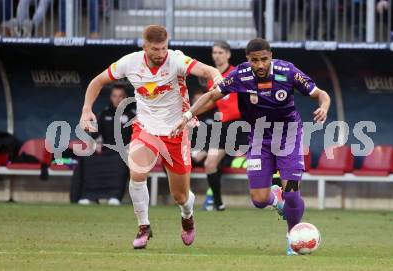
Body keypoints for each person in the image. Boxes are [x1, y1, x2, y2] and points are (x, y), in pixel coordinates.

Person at [172, 38, 331, 256]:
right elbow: (211, 96)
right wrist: (188, 115)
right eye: (255, 60)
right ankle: (276, 199)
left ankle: (293, 237)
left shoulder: (288, 71)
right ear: (248, 60)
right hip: (258, 138)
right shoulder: (240, 75)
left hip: (289, 138)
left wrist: (323, 107)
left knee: (292, 193)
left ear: (271, 57)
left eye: (264, 59)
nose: (260, 65)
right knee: (258, 200)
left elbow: (321, 94)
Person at [79, 25, 223, 249]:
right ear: (144, 46)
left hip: (176, 131)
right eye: (155, 49)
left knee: (180, 196)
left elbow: (207, 71)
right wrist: (87, 109)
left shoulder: (176, 60)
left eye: (164, 48)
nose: (160, 53)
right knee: (136, 172)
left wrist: (218, 76)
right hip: (146, 128)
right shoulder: (129, 62)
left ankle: (187, 215)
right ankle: (144, 227)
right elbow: (97, 82)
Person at [191, 41, 245, 211]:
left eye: (221, 52)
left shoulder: (237, 73)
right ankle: (218, 203)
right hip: (223, 128)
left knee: (265, 161)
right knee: (209, 163)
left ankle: (280, 198)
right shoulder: (212, 80)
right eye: (214, 52)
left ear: (228, 54)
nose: (217, 55)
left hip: (241, 126)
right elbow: (211, 102)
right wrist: (191, 113)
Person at [76, 84, 135, 206]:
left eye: (120, 96)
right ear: (111, 97)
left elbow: (137, 135)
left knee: (121, 160)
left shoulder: (132, 114)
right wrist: (97, 142)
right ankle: (89, 195)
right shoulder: (104, 113)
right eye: (114, 96)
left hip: (123, 152)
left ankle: (114, 196)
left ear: (125, 97)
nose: (117, 99)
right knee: (87, 159)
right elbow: (96, 132)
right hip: (105, 150)